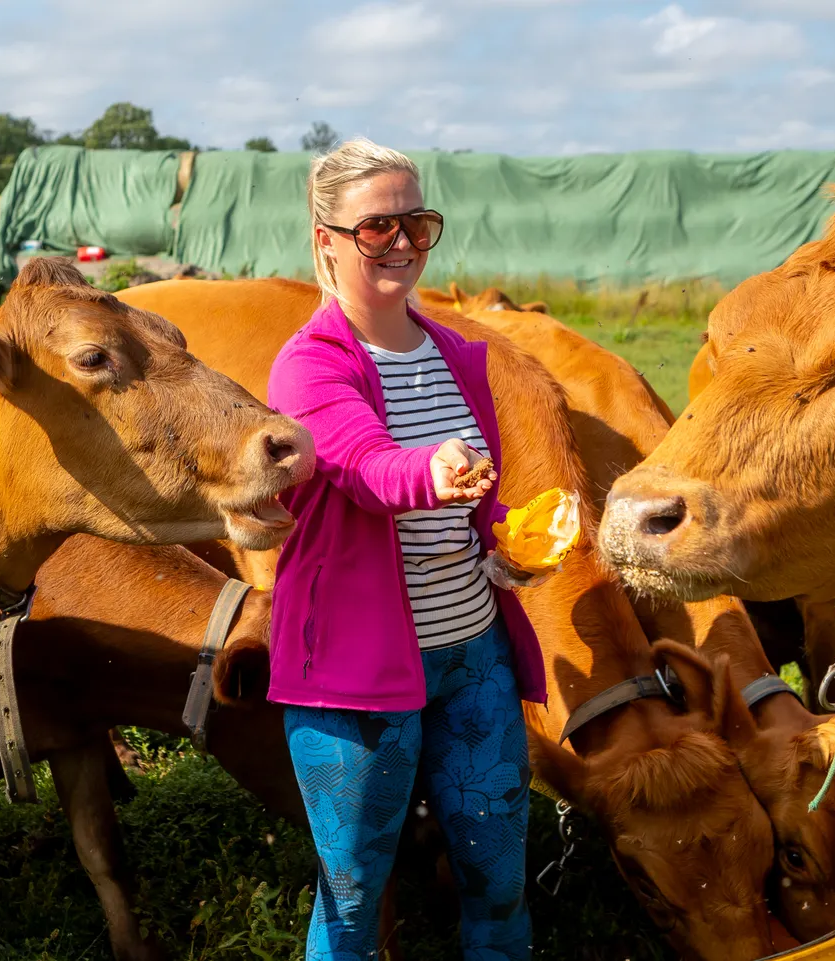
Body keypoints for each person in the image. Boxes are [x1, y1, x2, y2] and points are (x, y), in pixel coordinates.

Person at [266, 138, 549, 961]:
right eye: (376, 227)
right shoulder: (309, 365)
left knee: (498, 879)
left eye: (416, 223)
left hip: (473, 655)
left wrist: (506, 548)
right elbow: (360, 463)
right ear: (325, 239)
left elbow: (475, 503)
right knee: (354, 898)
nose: (401, 244)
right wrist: (431, 468)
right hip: (355, 680)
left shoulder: (457, 356)